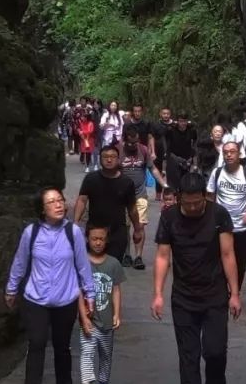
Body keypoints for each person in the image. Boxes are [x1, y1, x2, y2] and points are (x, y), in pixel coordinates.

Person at [152, 169, 241, 384]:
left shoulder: (219, 215)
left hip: (214, 295)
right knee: (188, 355)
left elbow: (227, 255)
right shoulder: (169, 218)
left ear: (205, 197)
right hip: (183, 297)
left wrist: (234, 293)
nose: (191, 207)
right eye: (186, 202)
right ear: (179, 197)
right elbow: (162, 257)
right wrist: (157, 293)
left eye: (197, 202)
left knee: (214, 351)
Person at [5, 188, 94, 384]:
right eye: (51, 202)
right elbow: (20, 263)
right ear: (42, 210)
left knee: (62, 346)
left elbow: (83, 266)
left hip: (66, 298)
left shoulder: (73, 232)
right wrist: (11, 289)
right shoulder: (31, 233)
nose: (58, 205)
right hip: (36, 298)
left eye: (60, 201)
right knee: (36, 343)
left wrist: (89, 294)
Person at [76, 222, 123, 384]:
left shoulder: (113, 264)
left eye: (101, 239)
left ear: (107, 240)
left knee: (105, 354)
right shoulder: (82, 263)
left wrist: (117, 314)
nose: (97, 243)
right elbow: (79, 291)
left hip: (107, 319)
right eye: (94, 239)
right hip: (89, 320)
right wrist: (83, 316)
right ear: (87, 239)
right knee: (87, 353)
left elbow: (116, 290)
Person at [75, 142, 142, 264]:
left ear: (118, 160)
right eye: (105, 157)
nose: (109, 160)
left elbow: (132, 208)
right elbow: (82, 200)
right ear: (100, 160)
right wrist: (75, 222)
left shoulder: (126, 182)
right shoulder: (91, 179)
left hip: (117, 233)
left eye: (112, 157)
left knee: (113, 267)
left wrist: (137, 229)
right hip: (95, 232)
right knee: (93, 268)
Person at [206, 138, 246, 288]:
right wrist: (211, 215)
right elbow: (210, 195)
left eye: (232, 152)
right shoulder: (217, 173)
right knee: (220, 259)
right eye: (226, 152)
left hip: (242, 225)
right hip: (221, 227)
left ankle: (235, 289)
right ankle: (222, 289)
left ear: (239, 154)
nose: (229, 155)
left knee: (240, 262)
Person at [120, 126, 160, 270]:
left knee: (140, 225)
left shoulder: (143, 150)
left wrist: (164, 184)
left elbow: (153, 168)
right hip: (122, 196)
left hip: (140, 194)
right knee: (125, 226)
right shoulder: (119, 151)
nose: (133, 145)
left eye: (136, 142)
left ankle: (138, 256)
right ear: (125, 140)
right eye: (131, 142)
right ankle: (126, 255)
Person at [164, 113, 196, 194]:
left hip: (187, 160)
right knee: (173, 186)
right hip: (173, 159)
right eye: (181, 121)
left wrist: (192, 158)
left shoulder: (192, 130)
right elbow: (167, 147)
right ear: (177, 121)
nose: (183, 124)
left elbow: (194, 145)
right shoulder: (170, 130)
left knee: (185, 185)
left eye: (185, 121)